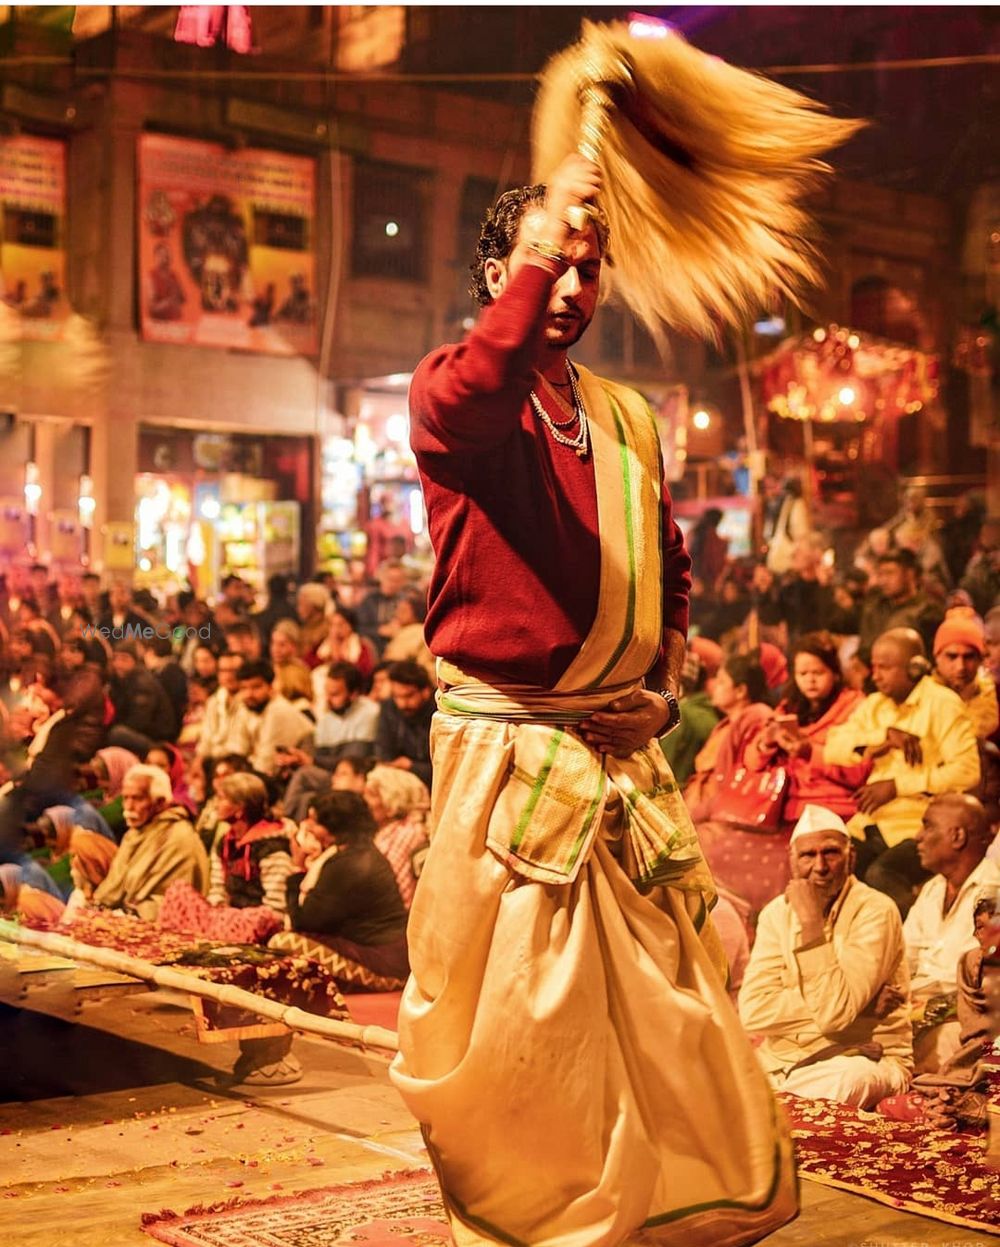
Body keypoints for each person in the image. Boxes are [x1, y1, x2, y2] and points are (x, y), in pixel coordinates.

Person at [389, 156, 796, 1246]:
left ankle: (653, 1209)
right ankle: (550, 1222)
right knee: (529, 1023)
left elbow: (668, 569)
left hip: (621, 752)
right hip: (510, 755)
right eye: (551, 263)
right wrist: (544, 244)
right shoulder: (449, 394)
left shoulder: (622, 416)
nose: (574, 285)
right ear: (497, 274)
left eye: (590, 265)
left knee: (665, 1007)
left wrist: (661, 695)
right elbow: (487, 380)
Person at [738, 804, 913, 1107]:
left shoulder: (875, 910)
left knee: (845, 1082)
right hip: (780, 1061)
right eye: (808, 855)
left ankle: (780, 1103)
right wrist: (863, 1006)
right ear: (792, 862)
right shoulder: (776, 914)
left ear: (852, 858)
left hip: (862, 1057)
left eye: (830, 853)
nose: (819, 866)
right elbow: (753, 1011)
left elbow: (834, 1018)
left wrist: (810, 926)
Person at [821, 627, 981, 914]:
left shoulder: (943, 704)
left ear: (915, 667)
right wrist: (882, 738)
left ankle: (909, 951)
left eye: (885, 667)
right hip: (869, 822)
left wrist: (897, 786)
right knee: (828, 869)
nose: (876, 675)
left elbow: (968, 772)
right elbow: (833, 748)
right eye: (874, 667)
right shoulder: (875, 705)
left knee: (882, 875)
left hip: (919, 825)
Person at [269, 790, 410, 990]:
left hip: (383, 961)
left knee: (283, 941)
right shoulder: (354, 852)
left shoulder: (350, 863)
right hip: (380, 951)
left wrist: (296, 867)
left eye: (314, 821)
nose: (307, 826)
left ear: (334, 827)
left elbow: (304, 921)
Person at [902, 794, 1000, 1064]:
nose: (918, 836)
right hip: (913, 1010)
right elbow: (903, 958)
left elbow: (982, 986)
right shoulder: (933, 890)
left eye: (928, 826)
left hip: (964, 1020)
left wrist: (920, 1008)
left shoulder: (994, 891)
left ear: (957, 836)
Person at [86, 764, 209, 921]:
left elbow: (174, 903)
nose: (129, 806)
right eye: (126, 798)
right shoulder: (134, 833)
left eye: (137, 798)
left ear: (160, 802)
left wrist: (129, 915)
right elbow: (113, 889)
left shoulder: (179, 837)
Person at [281, 662, 381, 822]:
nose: (328, 699)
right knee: (306, 797)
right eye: (326, 693)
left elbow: (356, 758)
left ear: (354, 693)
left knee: (304, 775)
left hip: (358, 775)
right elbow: (322, 758)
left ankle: (284, 820)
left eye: (335, 694)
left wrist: (312, 761)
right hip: (333, 774)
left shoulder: (370, 712)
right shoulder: (326, 720)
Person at [223, 659, 313, 778]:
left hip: (296, 776)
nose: (249, 694)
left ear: (271, 687)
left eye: (256, 687)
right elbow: (236, 750)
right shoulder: (247, 707)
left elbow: (266, 766)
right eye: (244, 688)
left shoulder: (278, 711)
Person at [362, 763, 430, 909]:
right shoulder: (380, 832)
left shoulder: (409, 833)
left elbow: (397, 893)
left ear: (393, 799)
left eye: (372, 795)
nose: (364, 801)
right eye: (364, 794)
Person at [858, 549, 944, 655]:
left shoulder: (927, 611)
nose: (883, 581)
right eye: (880, 574)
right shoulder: (875, 607)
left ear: (910, 574)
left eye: (890, 573)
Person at [931, 614, 999, 740]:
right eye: (952, 656)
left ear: (980, 659)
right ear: (937, 658)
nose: (960, 666)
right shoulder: (919, 696)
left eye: (968, 657)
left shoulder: (996, 694)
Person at [107, 640, 178, 754]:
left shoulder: (142, 683)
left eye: (124, 659)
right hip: (142, 733)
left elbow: (138, 722)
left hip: (157, 740)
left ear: (135, 661)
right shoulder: (118, 681)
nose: (118, 664)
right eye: (116, 658)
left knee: (116, 733)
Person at [374, 661, 434, 787]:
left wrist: (412, 766)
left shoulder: (440, 713)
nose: (402, 704)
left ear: (426, 691)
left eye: (408, 696)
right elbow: (384, 755)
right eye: (397, 697)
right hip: (400, 778)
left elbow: (446, 768)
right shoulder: (389, 708)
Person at [766, 477, 811, 576]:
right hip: (788, 562)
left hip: (777, 560)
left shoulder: (780, 503)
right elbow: (800, 533)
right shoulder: (797, 504)